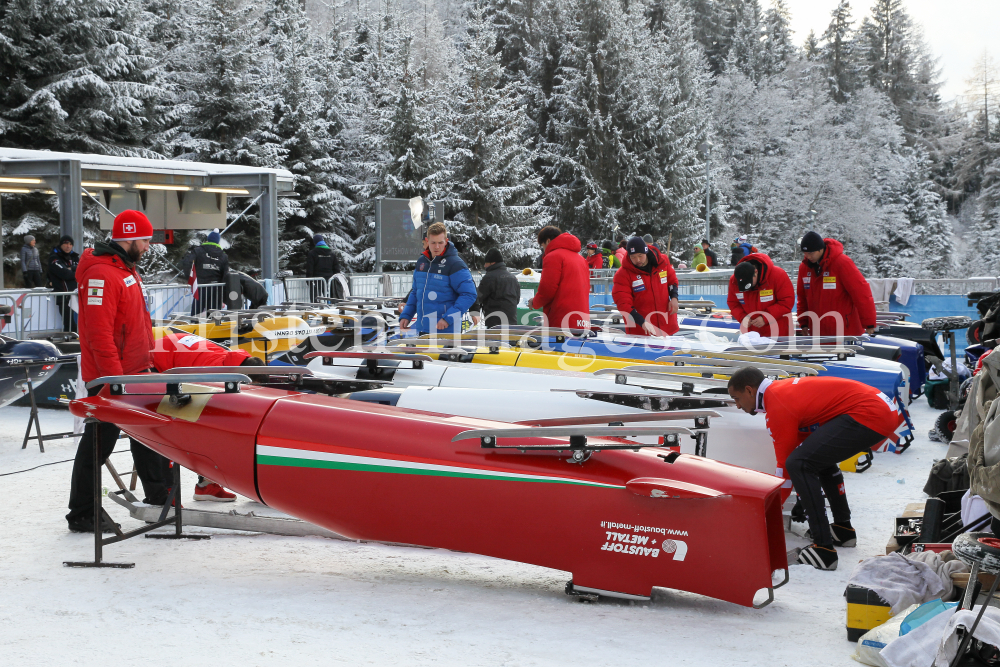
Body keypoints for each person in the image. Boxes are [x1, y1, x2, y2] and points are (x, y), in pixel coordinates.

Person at [727, 367, 902, 570]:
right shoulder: (779, 392)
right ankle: (843, 530)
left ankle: (824, 549)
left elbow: (786, 467)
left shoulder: (777, 405)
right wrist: (802, 496)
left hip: (871, 412)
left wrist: (768, 513)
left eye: (736, 398)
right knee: (814, 460)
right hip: (882, 409)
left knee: (798, 464)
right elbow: (803, 449)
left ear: (749, 390)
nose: (737, 405)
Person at [66, 210, 174, 533]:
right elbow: (100, 336)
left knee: (147, 434)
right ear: (128, 237)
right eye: (144, 241)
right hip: (113, 378)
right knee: (99, 442)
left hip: (134, 373)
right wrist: (115, 382)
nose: (148, 247)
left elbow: (134, 324)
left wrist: (148, 362)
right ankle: (82, 511)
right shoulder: (102, 274)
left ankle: (161, 496)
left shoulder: (125, 268)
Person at [150, 330, 265, 500]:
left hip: (177, 349)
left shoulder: (234, 366)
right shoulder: (211, 375)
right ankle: (165, 493)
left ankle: (206, 484)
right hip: (158, 361)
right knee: (170, 428)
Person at [399, 222, 478, 335]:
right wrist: (407, 315)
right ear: (427, 241)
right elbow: (416, 292)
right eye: (433, 243)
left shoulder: (455, 264)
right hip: (424, 329)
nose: (437, 247)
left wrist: (448, 318)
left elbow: (469, 294)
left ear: (446, 241)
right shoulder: (422, 262)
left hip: (448, 331)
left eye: (440, 243)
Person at [796, 231, 877, 337]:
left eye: (811, 253)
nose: (807, 256)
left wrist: (869, 322)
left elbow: (861, 293)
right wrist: (803, 322)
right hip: (818, 331)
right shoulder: (805, 267)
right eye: (805, 253)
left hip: (845, 330)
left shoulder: (842, 263)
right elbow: (802, 297)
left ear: (821, 249)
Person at [612, 237, 679, 336]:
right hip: (641, 331)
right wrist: (641, 321)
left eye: (640, 255)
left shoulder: (662, 262)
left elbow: (672, 280)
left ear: (646, 252)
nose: (637, 260)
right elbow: (623, 303)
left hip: (666, 326)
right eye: (633, 257)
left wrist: (674, 297)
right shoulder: (623, 274)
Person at [531, 226, 591, 330]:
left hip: (560, 319)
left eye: (542, 245)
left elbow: (547, 290)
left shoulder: (553, 257)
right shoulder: (580, 258)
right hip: (581, 319)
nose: (544, 250)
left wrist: (534, 303)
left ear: (548, 241)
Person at [727, 252, 795, 337]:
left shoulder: (777, 275)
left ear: (756, 272)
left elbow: (787, 302)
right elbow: (733, 303)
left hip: (777, 332)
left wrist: (766, 317)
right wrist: (742, 317)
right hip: (751, 334)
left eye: (749, 284)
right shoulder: (735, 280)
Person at [181, 230, 229, 314]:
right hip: (216, 288)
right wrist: (223, 292)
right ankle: (213, 326)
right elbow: (225, 274)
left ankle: (194, 327)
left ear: (208, 239)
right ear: (218, 241)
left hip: (200, 286)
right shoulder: (223, 255)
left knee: (196, 315)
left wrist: (191, 279)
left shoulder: (198, 251)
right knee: (214, 317)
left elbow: (187, 263)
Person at [471, 247, 520, 329]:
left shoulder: (489, 277)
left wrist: (474, 311)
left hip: (495, 321)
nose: (484, 265)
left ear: (492, 263)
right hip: (512, 320)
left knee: (495, 341)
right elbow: (517, 299)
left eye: (486, 263)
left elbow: (479, 296)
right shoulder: (513, 278)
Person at [48, 235, 80, 332]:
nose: (68, 246)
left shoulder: (75, 257)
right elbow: (65, 274)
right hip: (63, 296)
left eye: (70, 244)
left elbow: (82, 271)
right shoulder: (54, 258)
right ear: (61, 245)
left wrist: (72, 269)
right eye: (65, 243)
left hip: (75, 295)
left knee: (78, 324)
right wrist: (73, 271)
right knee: (70, 325)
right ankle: (69, 344)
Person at [305, 234, 341, 302]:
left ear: (315, 242)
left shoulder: (312, 253)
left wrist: (308, 280)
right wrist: (336, 279)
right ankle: (330, 308)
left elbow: (310, 268)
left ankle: (315, 308)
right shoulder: (331, 253)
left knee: (314, 298)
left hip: (316, 280)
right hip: (329, 279)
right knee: (329, 297)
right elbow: (336, 268)